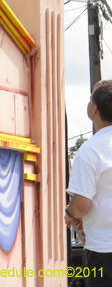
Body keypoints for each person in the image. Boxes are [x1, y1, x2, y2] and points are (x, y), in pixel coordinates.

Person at [65, 79, 112, 286]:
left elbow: (81, 204)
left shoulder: (90, 151)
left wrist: (69, 213)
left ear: (94, 108)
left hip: (104, 249)